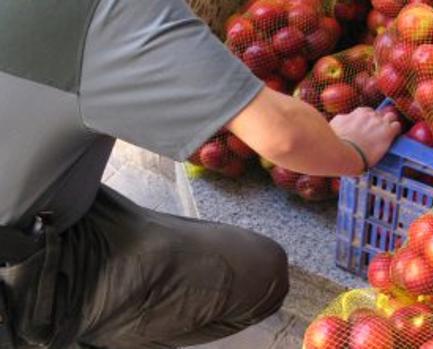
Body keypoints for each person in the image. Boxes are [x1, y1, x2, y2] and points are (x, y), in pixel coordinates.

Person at [0, 0, 400, 348]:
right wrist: (353, 152)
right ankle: (44, 329)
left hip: (24, 200)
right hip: (12, 270)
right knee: (253, 271)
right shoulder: (110, 10)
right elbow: (282, 137)